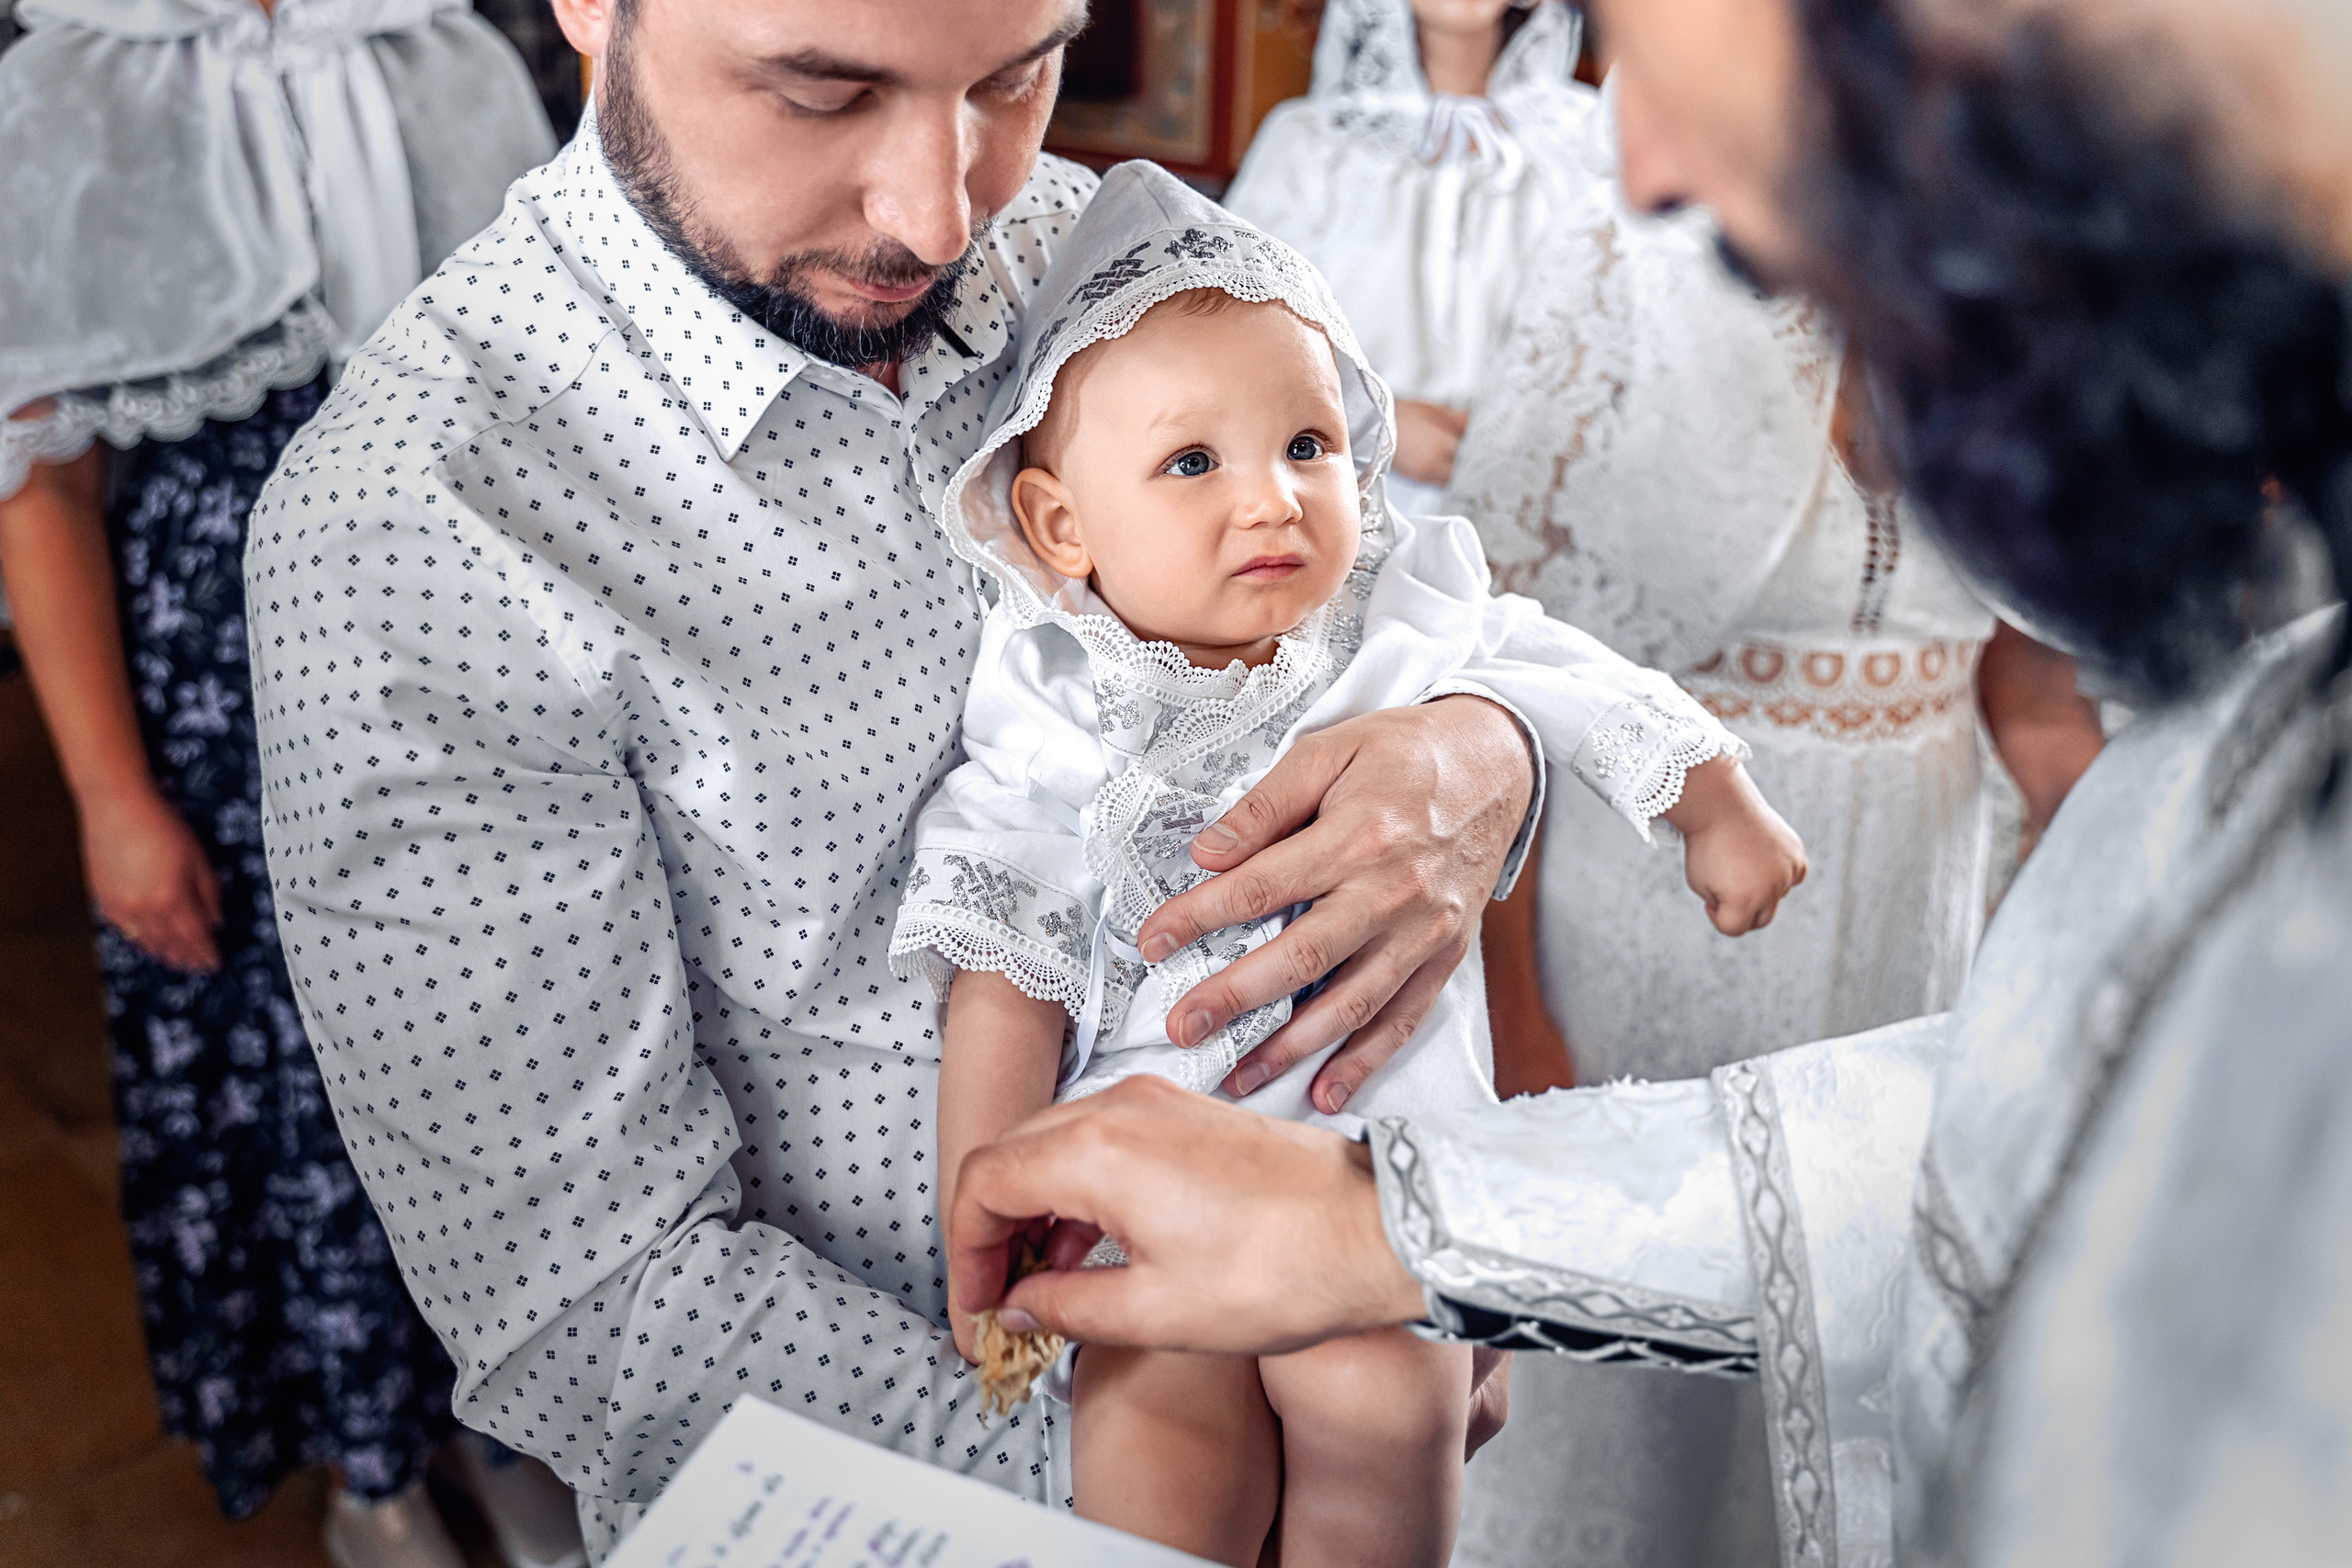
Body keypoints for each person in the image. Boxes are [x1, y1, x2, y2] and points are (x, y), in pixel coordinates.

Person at [944, 0, 2352, 1559]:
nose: (1639, 166)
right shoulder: (2257, 735)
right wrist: (1405, 1217)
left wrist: (1409, 1210)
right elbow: (2046, 1135)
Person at [234, 0, 1606, 1555]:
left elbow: (1384, 611)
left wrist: (1479, 753)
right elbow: (593, 1306)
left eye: (1018, 76)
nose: (944, 216)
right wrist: (1174, 1473)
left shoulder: (1139, 259)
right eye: (822, 94)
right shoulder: (410, 528)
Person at [888, 160, 1801, 1567]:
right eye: (1194, 464)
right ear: (1063, 525)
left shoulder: (1396, 618)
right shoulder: (1058, 713)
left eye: (1307, 445)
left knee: (1388, 1407)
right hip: (1158, 1188)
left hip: (1379, 1176)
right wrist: (988, 1208)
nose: (1273, 501)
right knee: (1160, 1454)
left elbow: (1559, 668)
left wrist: (1710, 794)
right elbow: (1004, 973)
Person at [1444, 95, 2106, 1567]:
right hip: (1635, 910)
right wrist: (1513, 1013)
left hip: (1921, 906)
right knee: (1622, 1359)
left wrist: (2054, 958)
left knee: (1843, 1328)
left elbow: (2033, 675)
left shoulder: (2037, 286)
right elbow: (1495, 652)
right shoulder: (1628, 252)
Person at [0, 3, 582, 1566]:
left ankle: (502, 1422)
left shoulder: (446, 51)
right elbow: (38, 484)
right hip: (222, 687)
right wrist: (112, 799)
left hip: (459, 650)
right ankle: (368, 1463)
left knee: (498, 1056)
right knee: (290, 1091)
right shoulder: (69, 89)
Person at [1223, 0, 1596, 514]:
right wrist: (1374, 419)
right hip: (1353, 497)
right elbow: (1239, 331)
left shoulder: (1592, 139)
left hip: (1542, 494)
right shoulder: (1307, 141)